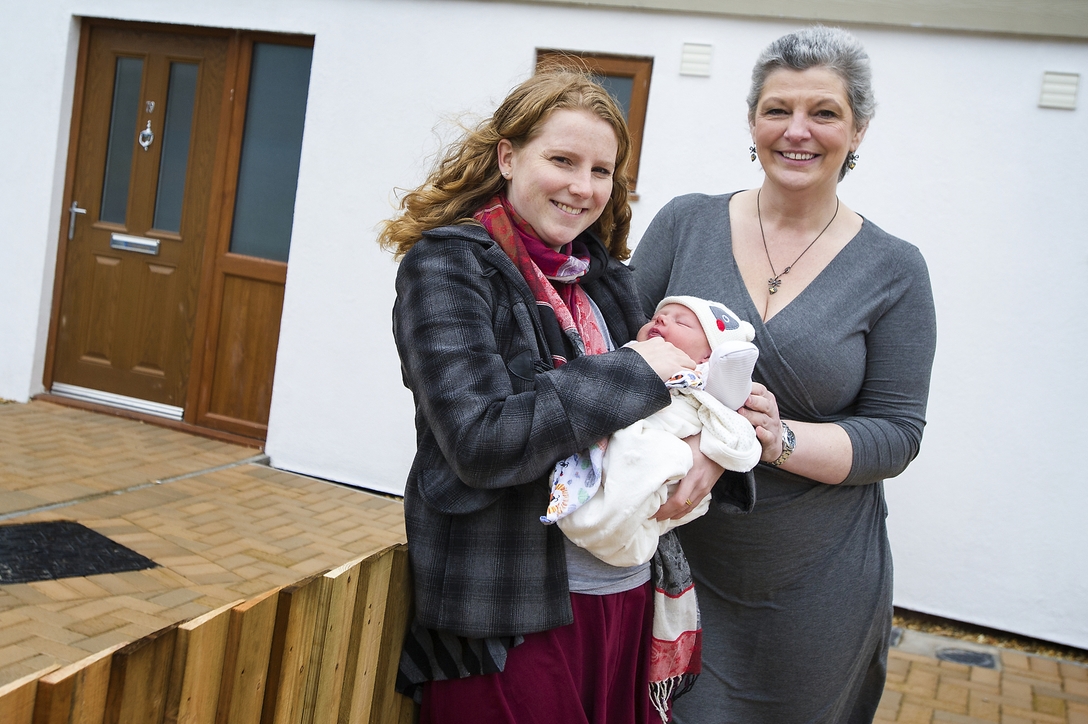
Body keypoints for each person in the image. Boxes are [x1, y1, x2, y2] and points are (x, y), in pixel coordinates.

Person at [380, 67, 719, 724]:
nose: (582, 186)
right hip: (509, 615)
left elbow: (652, 415)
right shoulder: (450, 266)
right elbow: (481, 441)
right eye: (562, 160)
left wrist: (709, 442)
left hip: (624, 598)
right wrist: (635, 372)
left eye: (600, 171)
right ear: (508, 156)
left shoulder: (602, 279)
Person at [631, 26, 937, 723]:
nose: (797, 131)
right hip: (679, 558)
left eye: (824, 112)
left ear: (858, 130)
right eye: (778, 110)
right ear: (752, 121)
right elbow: (618, 354)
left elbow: (896, 435)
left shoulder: (894, 270)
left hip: (814, 581)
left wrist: (776, 438)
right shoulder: (685, 224)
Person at [546, 295, 762, 568]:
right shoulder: (624, 355)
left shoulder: (704, 377)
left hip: (670, 452)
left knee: (666, 456)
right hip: (618, 449)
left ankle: (621, 522)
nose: (660, 319)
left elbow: (731, 422)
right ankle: (601, 517)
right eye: (657, 316)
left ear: (708, 355)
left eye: (681, 322)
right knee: (632, 450)